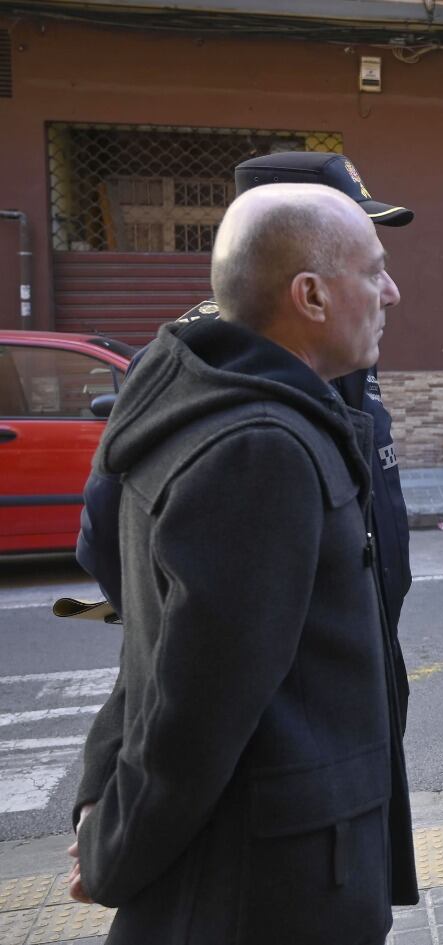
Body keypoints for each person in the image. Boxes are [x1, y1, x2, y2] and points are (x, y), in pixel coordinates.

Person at [66, 183, 415, 943]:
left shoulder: (213, 402)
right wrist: (111, 848)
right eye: (374, 270)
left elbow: (153, 655)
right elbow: (195, 705)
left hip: (271, 872)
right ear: (311, 295)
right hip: (265, 892)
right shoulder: (261, 449)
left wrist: (100, 792)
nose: (393, 291)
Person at [75, 152, 415, 674]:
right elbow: (107, 526)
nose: (386, 291)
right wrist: (182, 640)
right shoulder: (195, 360)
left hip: (365, 667)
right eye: (353, 244)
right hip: (286, 700)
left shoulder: (338, 348)